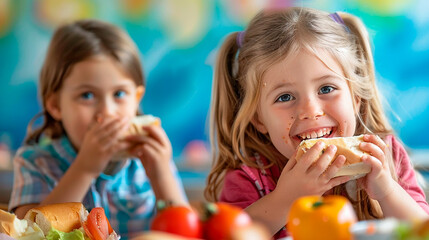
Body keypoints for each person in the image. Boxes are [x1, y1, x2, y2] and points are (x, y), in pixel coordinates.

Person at [205, 7, 429, 238]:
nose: (310, 111)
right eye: (285, 97)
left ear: (355, 97)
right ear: (258, 118)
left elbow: (422, 232)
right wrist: (286, 198)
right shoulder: (248, 180)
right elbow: (230, 234)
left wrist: (387, 190)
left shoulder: (385, 156)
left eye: (326, 89)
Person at [9, 19, 188, 239]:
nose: (107, 111)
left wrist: (161, 175)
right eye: (87, 95)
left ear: (137, 98)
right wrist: (85, 169)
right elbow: (25, 232)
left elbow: (185, 232)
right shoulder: (34, 162)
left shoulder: (151, 159)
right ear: (55, 105)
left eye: (119, 94)